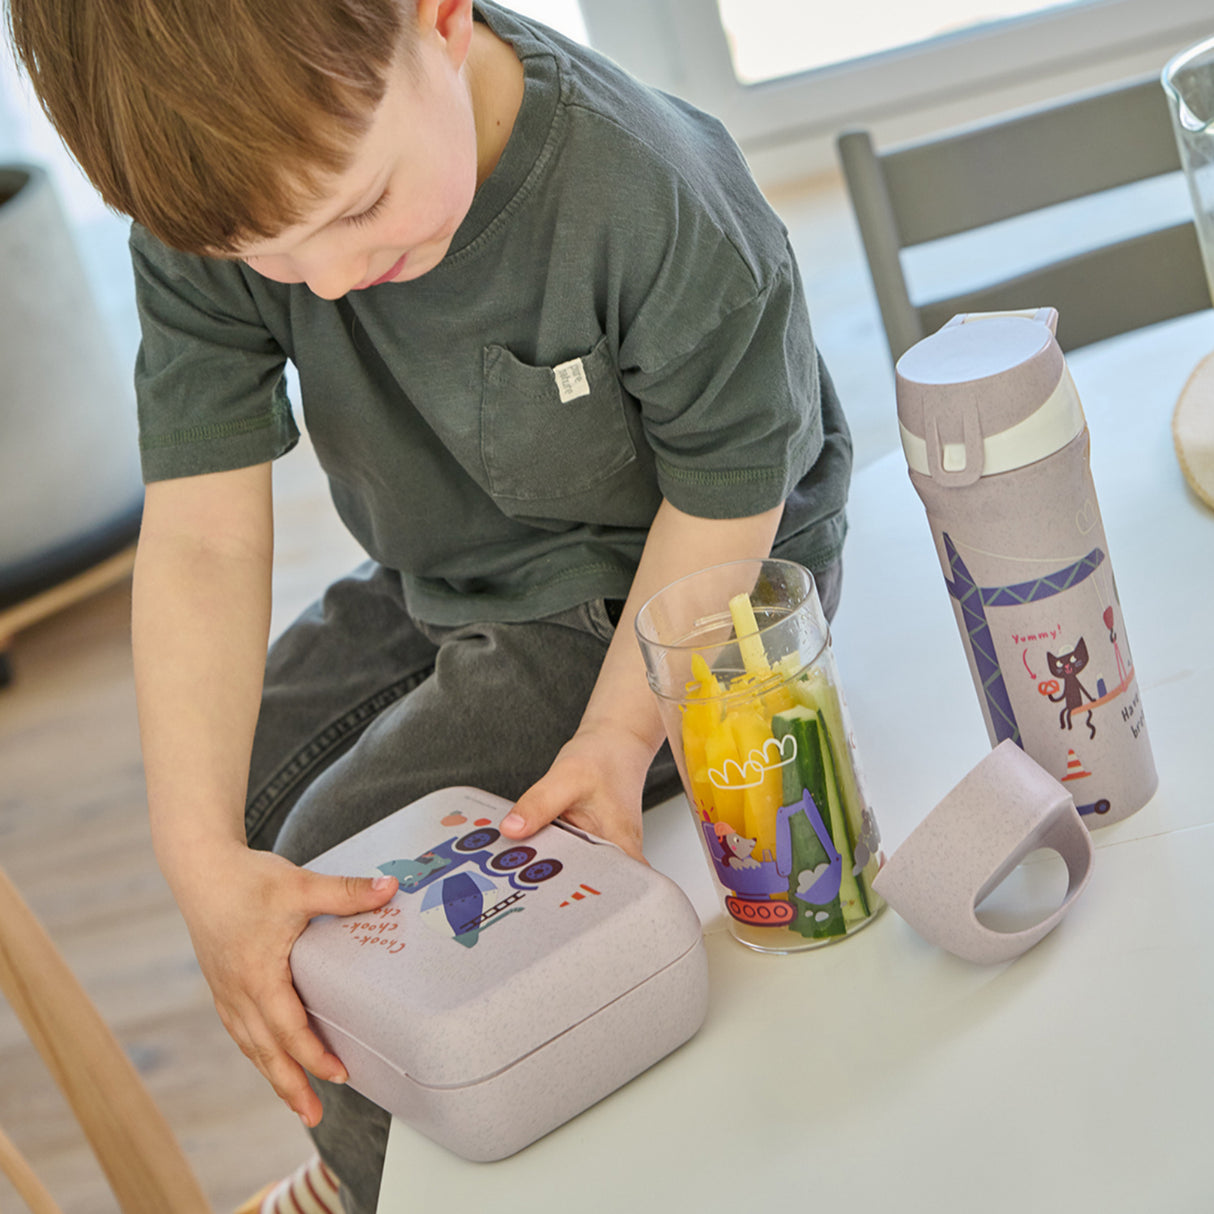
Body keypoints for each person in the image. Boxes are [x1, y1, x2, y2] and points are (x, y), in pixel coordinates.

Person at [8, 0, 851, 1209]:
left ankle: (381, 1184)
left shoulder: (649, 192)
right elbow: (199, 531)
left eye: (356, 209)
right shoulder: (219, 189)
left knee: (319, 898)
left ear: (440, 20)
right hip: (455, 566)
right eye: (275, 257)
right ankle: (409, 1142)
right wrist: (193, 857)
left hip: (677, 589)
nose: (332, 279)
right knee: (229, 815)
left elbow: (728, 500)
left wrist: (616, 740)